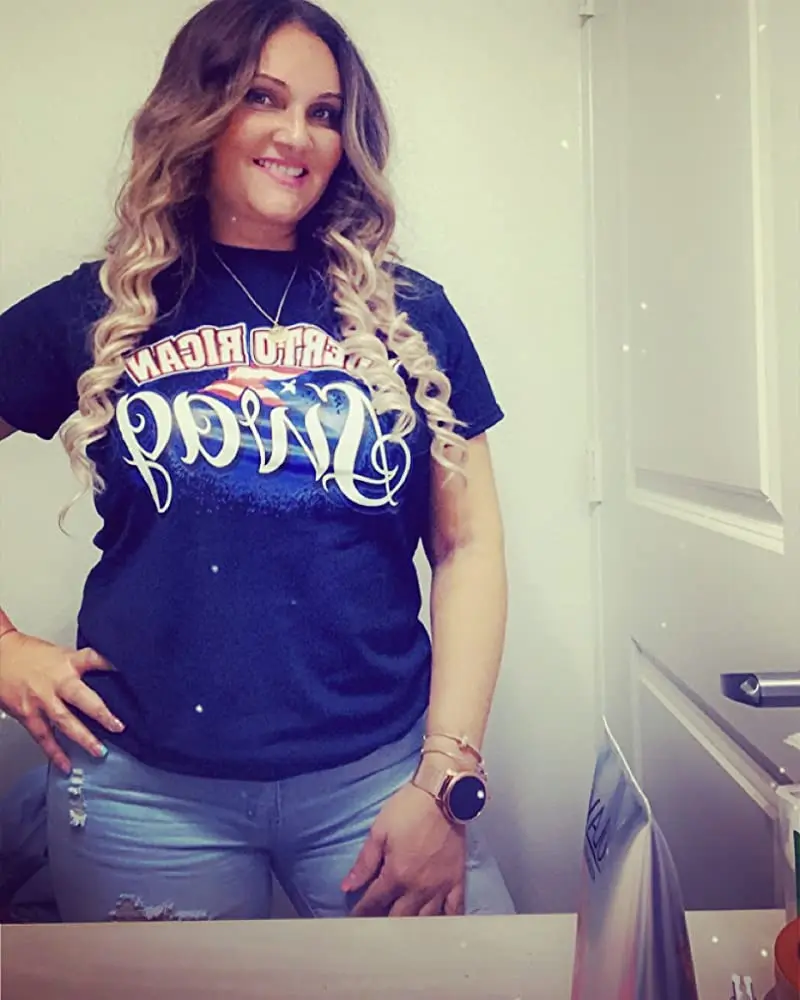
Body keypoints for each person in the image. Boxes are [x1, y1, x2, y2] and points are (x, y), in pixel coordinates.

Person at [0, 0, 514, 921]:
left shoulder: (409, 315)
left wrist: (446, 777)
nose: (296, 135)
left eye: (324, 112)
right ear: (198, 112)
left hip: (381, 782)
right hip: (143, 795)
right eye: (263, 98)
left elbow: (467, 547)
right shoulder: (107, 304)